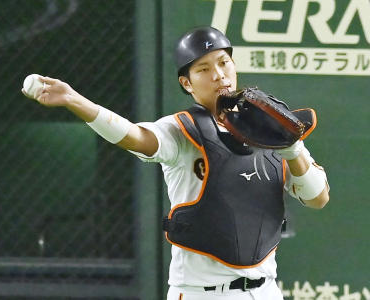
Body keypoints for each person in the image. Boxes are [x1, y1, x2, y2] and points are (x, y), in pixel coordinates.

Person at [22, 26, 329, 300]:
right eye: (204, 69)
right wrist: (76, 101)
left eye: (224, 63)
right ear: (187, 82)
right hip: (202, 293)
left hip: (266, 290)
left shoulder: (269, 127)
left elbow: (318, 198)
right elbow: (134, 136)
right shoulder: (182, 130)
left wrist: (293, 148)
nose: (219, 75)